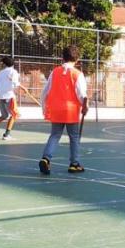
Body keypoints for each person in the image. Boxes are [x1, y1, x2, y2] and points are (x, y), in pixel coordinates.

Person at [39, 45, 88, 175]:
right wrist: (84, 105)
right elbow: (81, 93)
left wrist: (43, 105)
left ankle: (46, 158)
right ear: (77, 59)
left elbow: (46, 90)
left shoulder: (55, 72)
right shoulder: (77, 74)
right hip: (70, 110)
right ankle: (74, 163)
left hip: (55, 108)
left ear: (62, 58)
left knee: (55, 135)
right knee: (74, 137)